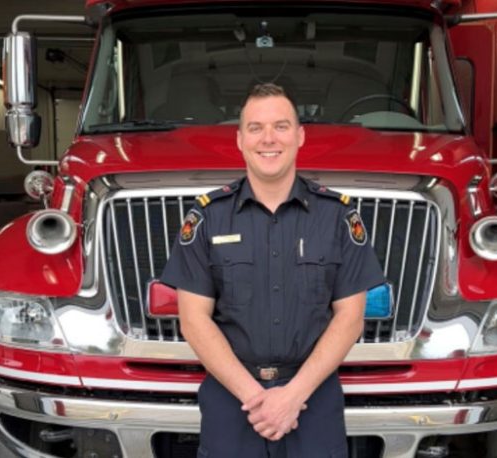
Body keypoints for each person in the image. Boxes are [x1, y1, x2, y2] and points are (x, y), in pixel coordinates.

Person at [161, 83, 385, 457]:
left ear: (299, 136)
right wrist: (257, 399)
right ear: (239, 139)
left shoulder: (338, 216)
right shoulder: (206, 217)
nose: (269, 139)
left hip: (313, 397)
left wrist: (292, 397)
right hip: (232, 396)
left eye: (281, 126)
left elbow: (350, 318)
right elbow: (193, 320)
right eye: (255, 127)